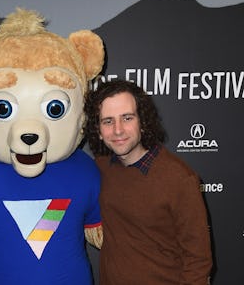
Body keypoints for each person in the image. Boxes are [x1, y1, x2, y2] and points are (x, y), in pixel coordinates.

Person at [84, 79, 212, 285]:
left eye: (127, 118)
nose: (118, 130)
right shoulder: (100, 168)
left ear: (142, 122)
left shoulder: (179, 178)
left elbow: (198, 261)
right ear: (98, 130)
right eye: (108, 121)